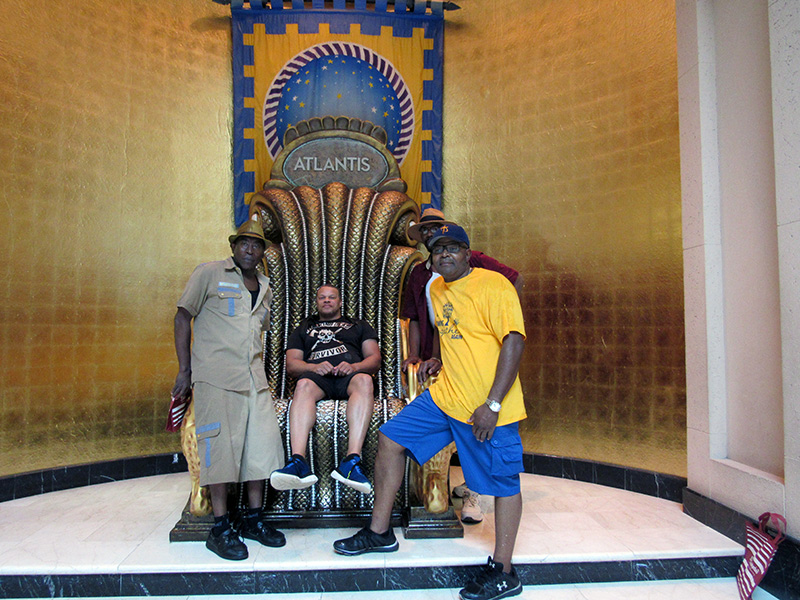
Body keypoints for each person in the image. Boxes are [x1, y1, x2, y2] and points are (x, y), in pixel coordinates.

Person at [334, 224, 527, 600]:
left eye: (453, 248)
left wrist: (492, 404)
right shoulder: (436, 288)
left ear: (468, 253)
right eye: (438, 250)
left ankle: (505, 571)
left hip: (488, 406)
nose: (444, 255)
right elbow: (453, 332)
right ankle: (379, 533)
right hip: (445, 397)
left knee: (504, 482)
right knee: (390, 439)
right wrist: (436, 357)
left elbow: (514, 342)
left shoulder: (494, 285)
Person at [172, 216, 285, 561]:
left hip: (253, 378)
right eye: (244, 244)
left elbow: (256, 330)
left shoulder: (265, 285)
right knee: (218, 449)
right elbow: (182, 316)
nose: (250, 250)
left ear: (263, 252)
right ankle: (220, 527)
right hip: (216, 376)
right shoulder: (209, 273)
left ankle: (253, 519)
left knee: (260, 448)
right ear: (234, 247)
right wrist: (185, 370)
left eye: (257, 246)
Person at [403, 208, 524, 525]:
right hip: (442, 359)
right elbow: (423, 319)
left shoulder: (481, 268)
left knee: (485, 446)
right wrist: (423, 354)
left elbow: (513, 289)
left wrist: (507, 316)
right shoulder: (421, 275)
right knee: (451, 434)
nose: (431, 235)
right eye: (426, 231)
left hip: (482, 363)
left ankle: (474, 493)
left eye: (436, 229)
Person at [269, 285, 382, 495]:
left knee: (365, 380)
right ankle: (298, 462)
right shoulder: (304, 327)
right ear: (317, 302)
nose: (327, 300)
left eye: (331, 297)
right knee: (302, 385)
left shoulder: (358, 325)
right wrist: (313, 367)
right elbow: (292, 365)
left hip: (350, 376)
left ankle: (351, 461)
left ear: (340, 302)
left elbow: (375, 359)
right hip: (317, 378)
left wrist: (355, 367)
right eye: (322, 297)